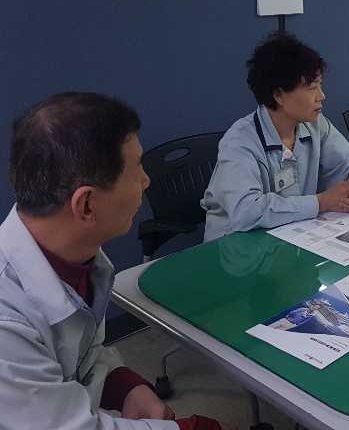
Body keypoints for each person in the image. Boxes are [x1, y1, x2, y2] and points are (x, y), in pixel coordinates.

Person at [0, 92, 236, 430]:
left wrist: (124, 386)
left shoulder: (78, 256)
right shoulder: (7, 324)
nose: (146, 181)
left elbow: (79, 353)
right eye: (136, 169)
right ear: (86, 205)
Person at [203, 33, 349, 241]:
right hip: (236, 246)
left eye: (320, 85)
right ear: (278, 94)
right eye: (312, 88)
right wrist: (320, 202)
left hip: (290, 236)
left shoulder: (315, 124)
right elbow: (246, 210)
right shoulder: (239, 142)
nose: (321, 95)